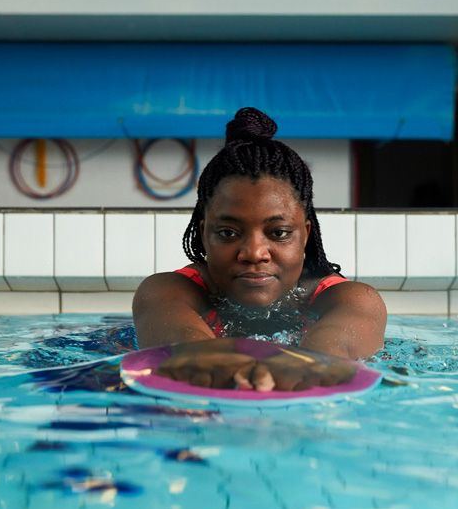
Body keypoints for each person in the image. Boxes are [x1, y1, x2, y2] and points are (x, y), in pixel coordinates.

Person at [132, 107, 386, 392]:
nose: (254, 253)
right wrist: (208, 358)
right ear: (204, 235)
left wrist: (309, 361)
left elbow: (331, 347)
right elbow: (183, 340)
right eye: (228, 233)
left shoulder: (352, 300)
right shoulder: (167, 292)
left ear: (306, 234)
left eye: (278, 233)